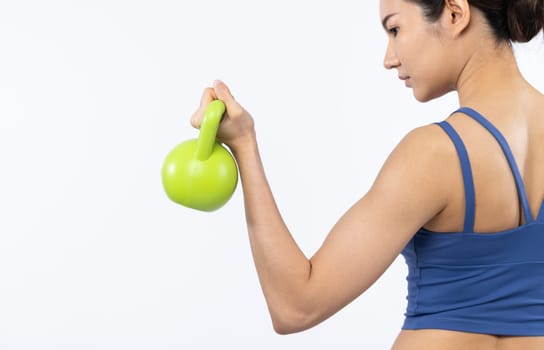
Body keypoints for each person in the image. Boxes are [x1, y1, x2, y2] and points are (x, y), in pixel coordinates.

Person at [189, 0, 544, 348]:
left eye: (394, 29)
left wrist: (245, 146)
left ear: (454, 13)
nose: (389, 58)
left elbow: (295, 306)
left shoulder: (435, 154)